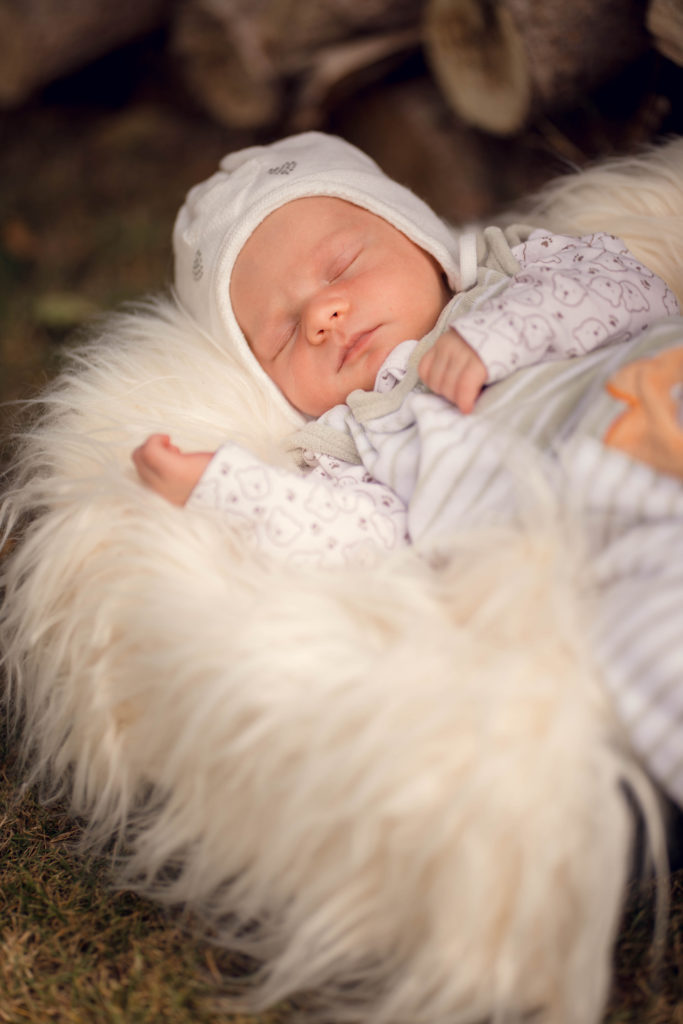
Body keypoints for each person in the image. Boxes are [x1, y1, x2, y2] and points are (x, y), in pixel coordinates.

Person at [132, 132, 683, 808]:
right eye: (279, 335)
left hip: (661, 397)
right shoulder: (353, 444)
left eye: (339, 267)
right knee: (650, 653)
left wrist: (498, 335)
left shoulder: (519, 272)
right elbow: (358, 542)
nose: (321, 315)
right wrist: (228, 486)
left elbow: (634, 291)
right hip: (608, 544)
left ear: (422, 241)